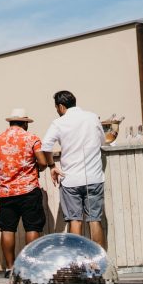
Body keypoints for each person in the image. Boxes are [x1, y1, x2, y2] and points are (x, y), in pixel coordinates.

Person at [41, 90, 107, 246]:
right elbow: (102, 141)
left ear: (61, 107)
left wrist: (52, 165)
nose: (57, 111)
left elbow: (46, 146)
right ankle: (100, 263)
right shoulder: (92, 117)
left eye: (56, 108)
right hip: (94, 177)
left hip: (70, 179)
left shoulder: (59, 123)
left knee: (75, 220)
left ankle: (76, 264)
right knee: (94, 220)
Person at [0, 108, 47, 275]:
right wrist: (38, 167)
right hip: (29, 190)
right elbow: (42, 162)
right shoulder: (32, 139)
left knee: (7, 229)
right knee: (32, 227)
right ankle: (31, 267)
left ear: (10, 122)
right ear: (25, 123)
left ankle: (10, 267)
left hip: (6, 193)